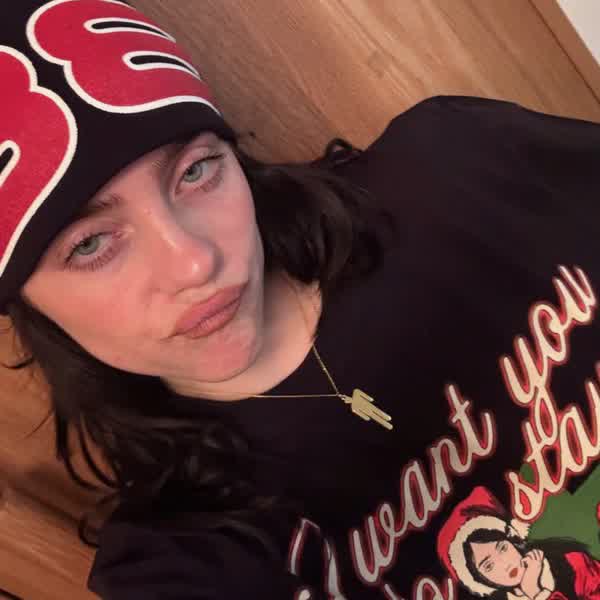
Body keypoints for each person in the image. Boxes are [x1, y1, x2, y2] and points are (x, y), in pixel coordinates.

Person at [2, 1, 600, 599]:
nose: (194, 262)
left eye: (196, 171)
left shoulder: (457, 169)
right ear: (25, 301)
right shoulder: (183, 560)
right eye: (90, 244)